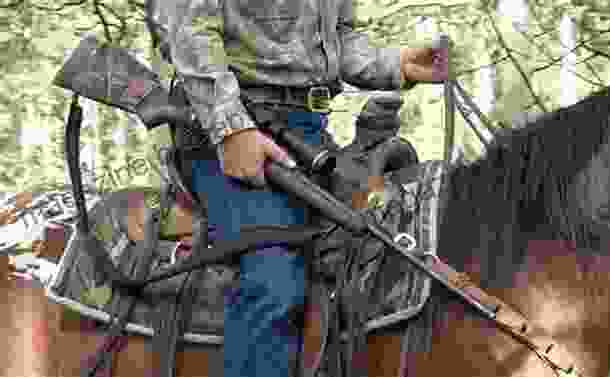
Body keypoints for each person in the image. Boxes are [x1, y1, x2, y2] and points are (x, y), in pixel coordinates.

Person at [145, 1, 449, 376]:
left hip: (307, 134)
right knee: (272, 282)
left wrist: (396, 64)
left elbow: (334, 38)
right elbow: (186, 25)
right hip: (220, 132)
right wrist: (230, 129)